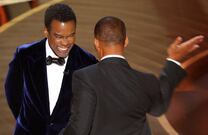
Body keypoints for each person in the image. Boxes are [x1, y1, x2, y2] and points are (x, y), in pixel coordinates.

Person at [59, 16, 204, 135]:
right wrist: (173, 60)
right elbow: (159, 107)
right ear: (126, 41)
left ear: (96, 43)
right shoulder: (146, 81)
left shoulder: (85, 78)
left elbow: (80, 129)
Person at [4, 3, 97, 135]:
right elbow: (12, 92)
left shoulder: (88, 62)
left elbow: (91, 108)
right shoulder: (24, 55)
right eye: (59, 36)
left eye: (70, 35)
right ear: (46, 32)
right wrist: (27, 121)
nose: (65, 43)